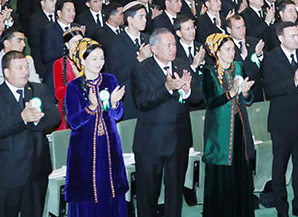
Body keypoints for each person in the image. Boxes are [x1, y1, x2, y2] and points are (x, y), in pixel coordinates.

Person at [131, 29, 201, 217]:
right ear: (154, 48)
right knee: (148, 194)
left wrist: (187, 91)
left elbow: (198, 96)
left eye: (174, 45)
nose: (173, 49)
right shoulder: (141, 69)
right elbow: (142, 102)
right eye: (168, 45)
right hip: (151, 142)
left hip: (179, 140)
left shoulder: (181, 64)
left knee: (175, 191)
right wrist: (167, 88)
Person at [0, 50, 61, 217]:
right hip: (6, 176)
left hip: (36, 173)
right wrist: (22, 119)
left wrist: (39, 119)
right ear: (6, 72)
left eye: (26, 67)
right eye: (19, 68)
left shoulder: (39, 89)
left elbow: (55, 116)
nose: (26, 71)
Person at [261, 21, 298, 217]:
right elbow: (270, 89)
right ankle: (282, 209)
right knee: (280, 168)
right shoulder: (271, 58)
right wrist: (293, 82)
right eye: (292, 36)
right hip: (282, 123)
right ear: (281, 38)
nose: (297, 39)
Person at [64, 40, 128, 217]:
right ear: (82, 61)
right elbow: (74, 122)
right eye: (94, 58)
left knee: (112, 189)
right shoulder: (74, 87)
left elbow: (118, 115)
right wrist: (91, 108)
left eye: (101, 58)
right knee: (88, 192)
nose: (99, 62)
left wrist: (114, 103)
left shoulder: (110, 79)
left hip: (109, 146)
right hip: (84, 150)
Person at [201, 32, 257, 217]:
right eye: (227, 49)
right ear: (216, 52)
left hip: (240, 127)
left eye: (233, 48)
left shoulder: (239, 67)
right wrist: (230, 93)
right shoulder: (209, 72)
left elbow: (248, 99)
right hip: (220, 130)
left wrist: (246, 93)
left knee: (241, 169)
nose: (232, 52)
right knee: (222, 172)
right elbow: (210, 102)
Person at [54, 30, 90, 130]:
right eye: (74, 42)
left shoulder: (90, 61)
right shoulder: (60, 64)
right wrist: (76, 82)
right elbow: (58, 94)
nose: (78, 45)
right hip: (69, 108)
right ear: (67, 45)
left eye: (81, 41)